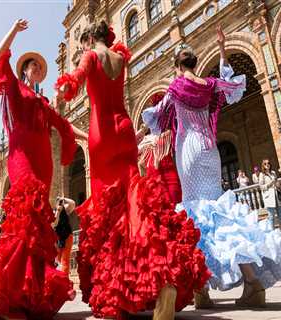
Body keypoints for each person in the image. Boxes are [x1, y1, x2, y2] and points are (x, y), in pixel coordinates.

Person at [56, 21, 209, 320]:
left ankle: (121, 288)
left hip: (102, 136)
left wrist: (65, 87)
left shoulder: (90, 56)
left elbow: (74, 81)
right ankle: (162, 276)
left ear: (88, 40)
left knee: (108, 214)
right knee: (136, 203)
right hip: (125, 129)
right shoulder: (120, 57)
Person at [142, 26, 281, 309]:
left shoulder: (176, 87)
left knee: (195, 215)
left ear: (178, 66)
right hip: (210, 150)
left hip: (189, 151)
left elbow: (156, 118)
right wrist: (220, 49)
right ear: (194, 62)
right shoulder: (208, 85)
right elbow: (230, 84)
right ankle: (252, 282)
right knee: (219, 212)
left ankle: (201, 290)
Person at [0, 19, 86, 319]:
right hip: (21, 159)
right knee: (24, 220)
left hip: (43, 162)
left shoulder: (42, 102)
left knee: (37, 228)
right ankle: (5, 291)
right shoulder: (14, 88)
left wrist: (93, 137)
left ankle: (27, 294)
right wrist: (14, 31)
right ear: (24, 70)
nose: (38, 72)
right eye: (34, 67)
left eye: (41, 70)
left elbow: (64, 125)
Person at [138, 95, 182, 205]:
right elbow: (139, 162)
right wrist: (142, 131)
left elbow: (141, 164)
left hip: (168, 182)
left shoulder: (168, 135)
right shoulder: (148, 140)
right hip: (155, 185)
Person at [53, 197, 76, 274]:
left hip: (67, 236)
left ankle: (65, 280)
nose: (60, 204)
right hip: (58, 238)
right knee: (57, 261)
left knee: (65, 260)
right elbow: (54, 224)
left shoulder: (66, 210)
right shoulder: (54, 212)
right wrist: (58, 211)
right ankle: (58, 279)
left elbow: (72, 203)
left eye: (60, 203)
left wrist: (63, 199)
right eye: (58, 202)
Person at [259, 159, 279, 229]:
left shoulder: (273, 172)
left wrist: (277, 184)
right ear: (263, 165)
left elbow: (276, 182)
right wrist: (270, 183)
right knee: (271, 217)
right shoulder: (262, 174)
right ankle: (273, 234)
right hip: (269, 197)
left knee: (280, 215)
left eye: (268, 163)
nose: (267, 164)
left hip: (277, 196)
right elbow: (261, 187)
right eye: (265, 163)